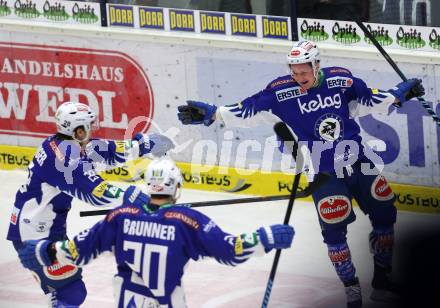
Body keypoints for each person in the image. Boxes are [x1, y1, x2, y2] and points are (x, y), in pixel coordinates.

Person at [176, 40, 425, 308]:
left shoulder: (341, 80)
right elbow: (248, 108)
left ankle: (382, 279)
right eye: (294, 72)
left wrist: (398, 94)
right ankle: (352, 289)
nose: (298, 78)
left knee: (385, 212)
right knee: (334, 234)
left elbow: (371, 99)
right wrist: (213, 114)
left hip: (359, 163)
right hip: (323, 174)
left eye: (304, 72)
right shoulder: (280, 92)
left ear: (317, 66)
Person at [16, 158, 295, 307]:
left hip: (128, 298)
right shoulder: (187, 221)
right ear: (175, 186)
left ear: (149, 185)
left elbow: (78, 249)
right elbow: (231, 250)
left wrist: (43, 251)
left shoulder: (120, 217)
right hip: (167, 299)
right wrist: (267, 237)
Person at [6, 101, 174, 308]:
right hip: (33, 237)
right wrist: (136, 198)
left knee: (69, 291)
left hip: (44, 229)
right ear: (76, 130)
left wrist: (143, 145)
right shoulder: (64, 157)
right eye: (88, 125)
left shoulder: (68, 144)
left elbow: (108, 151)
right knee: (71, 292)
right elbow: (95, 192)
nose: (94, 128)